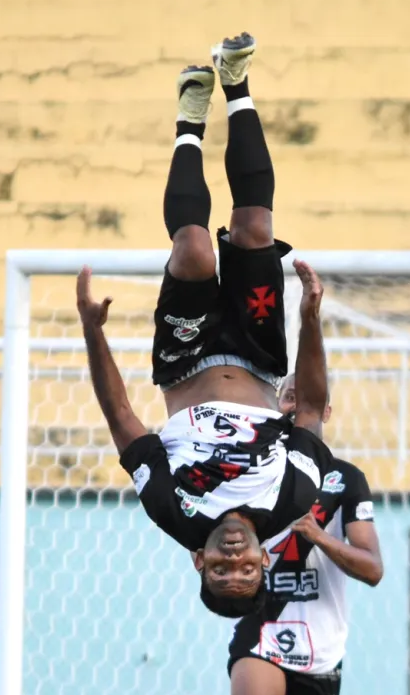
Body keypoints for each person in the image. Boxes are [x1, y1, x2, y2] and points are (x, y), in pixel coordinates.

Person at [78, 33, 333, 618]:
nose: (234, 559)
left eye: (222, 569)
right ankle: (237, 82)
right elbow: (312, 411)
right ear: (265, 560)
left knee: (193, 249)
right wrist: (310, 320)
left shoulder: (173, 510)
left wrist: (93, 331)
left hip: (185, 361)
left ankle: (189, 121)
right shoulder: (293, 497)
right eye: (246, 569)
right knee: (254, 231)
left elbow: (123, 420)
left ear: (199, 561)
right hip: (259, 354)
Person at [231, 377, 383, 695]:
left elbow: (373, 568)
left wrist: (317, 535)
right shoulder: (252, 472)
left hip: (322, 644)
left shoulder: (346, 481)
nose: (295, 405)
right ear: (278, 407)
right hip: (264, 628)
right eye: (288, 396)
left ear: (326, 412)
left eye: (306, 398)